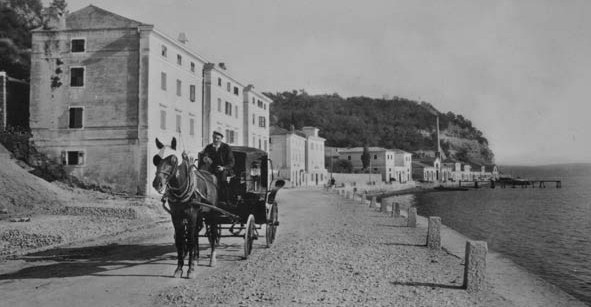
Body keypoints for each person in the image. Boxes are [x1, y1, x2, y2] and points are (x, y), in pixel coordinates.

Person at [200, 131, 235, 202]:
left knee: (222, 179)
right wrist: (205, 158)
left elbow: (231, 162)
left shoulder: (226, 148)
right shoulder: (209, 147)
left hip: (224, 170)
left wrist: (223, 168)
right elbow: (204, 155)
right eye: (214, 138)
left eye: (218, 138)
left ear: (221, 139)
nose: (215, 140)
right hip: (211, 169)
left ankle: (223, 199)